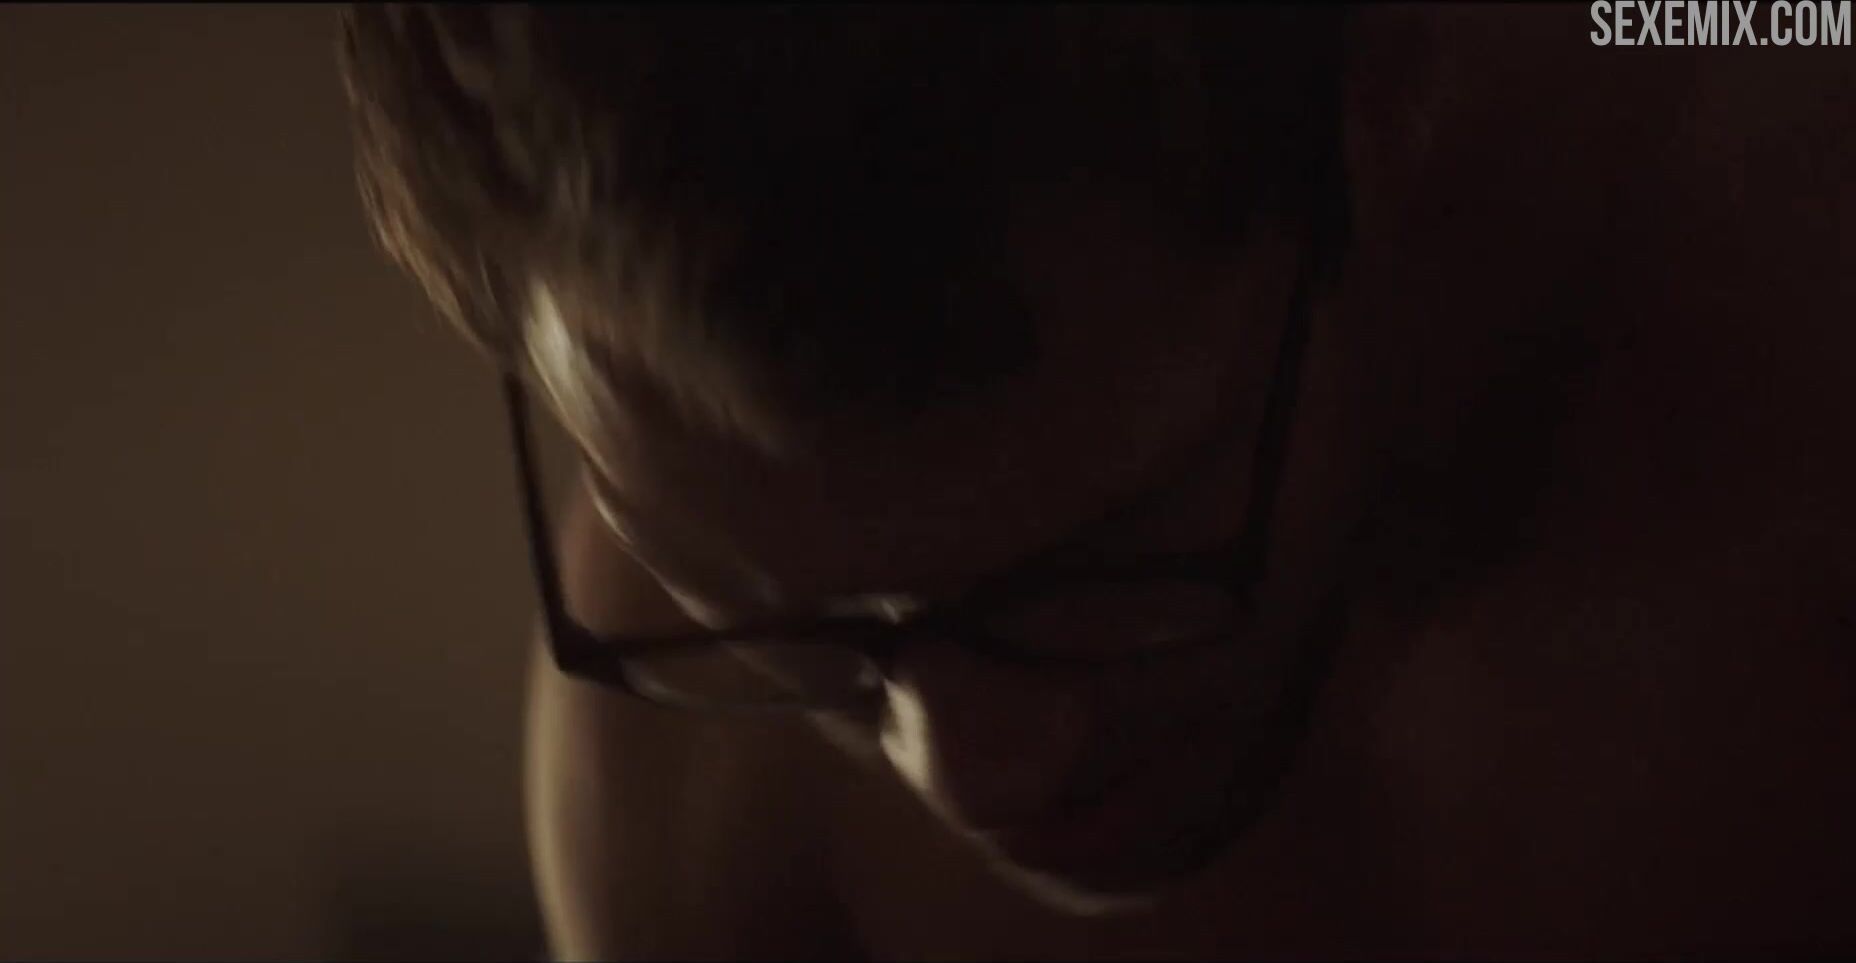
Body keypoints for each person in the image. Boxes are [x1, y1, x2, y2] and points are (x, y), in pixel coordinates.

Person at [337, 5, 1856, 958]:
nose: (971, 771)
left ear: (1385, 104)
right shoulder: (690, 781)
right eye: (778, 611)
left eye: (1104, 561)